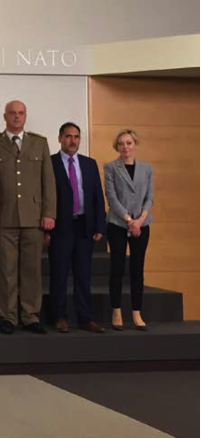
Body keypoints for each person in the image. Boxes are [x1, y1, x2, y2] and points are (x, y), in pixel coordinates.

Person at [0, 101, 56, 335]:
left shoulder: (39, 143)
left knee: (31, 269)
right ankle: (7, 316)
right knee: (5, 269)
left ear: (25, 116)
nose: (17, 117)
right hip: (3, 216)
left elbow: (48, 182)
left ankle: (30, 315)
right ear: (4, 116)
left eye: (21, 113)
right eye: (12, 113)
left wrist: (49, 213)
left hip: (33, 217)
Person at [46, 123, 107, 334]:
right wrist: (45, 228)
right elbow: (44, 195)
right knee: (59, 274)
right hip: (60, 226)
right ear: (60, 138)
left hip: (84, 226)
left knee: (83, 275)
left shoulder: (89, 164)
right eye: (68, 136)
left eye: (76, 137)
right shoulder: (50, 163)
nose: (73, 141)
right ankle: (59, 316)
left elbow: (97, 196)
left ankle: (85, 318)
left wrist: (100, 225)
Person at [104, 129, 153, 332]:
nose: (125, 147)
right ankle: (116, 311)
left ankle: (136, 312)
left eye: (129, 143)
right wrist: (129, 220)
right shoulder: (110, 167)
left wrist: (139, 220)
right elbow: (111, 197)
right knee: (117, 268)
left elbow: (149, 197)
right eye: (121, 143)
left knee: (137, 269)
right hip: (117, 224)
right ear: (117, 147)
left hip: (142, 225)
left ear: (135, 144)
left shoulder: (146, 168)